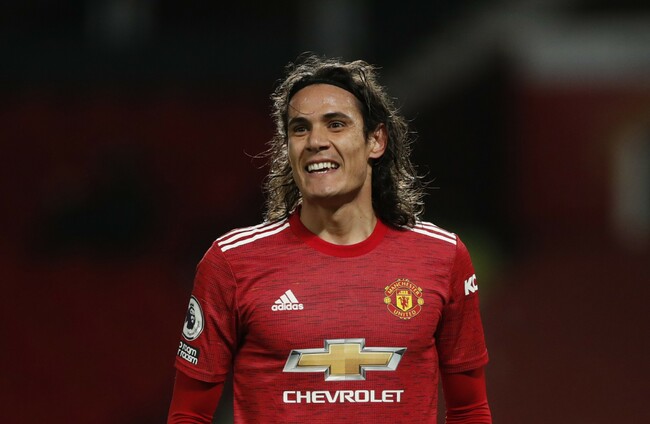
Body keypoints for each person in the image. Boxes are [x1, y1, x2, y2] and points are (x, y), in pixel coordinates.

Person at [168, 53, 492, 423]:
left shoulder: (443, 257)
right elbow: (189, 414)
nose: (315, 141)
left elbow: (469, 409)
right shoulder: (231, 263)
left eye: (335, 124)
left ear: (376, 141)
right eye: (300, 129)